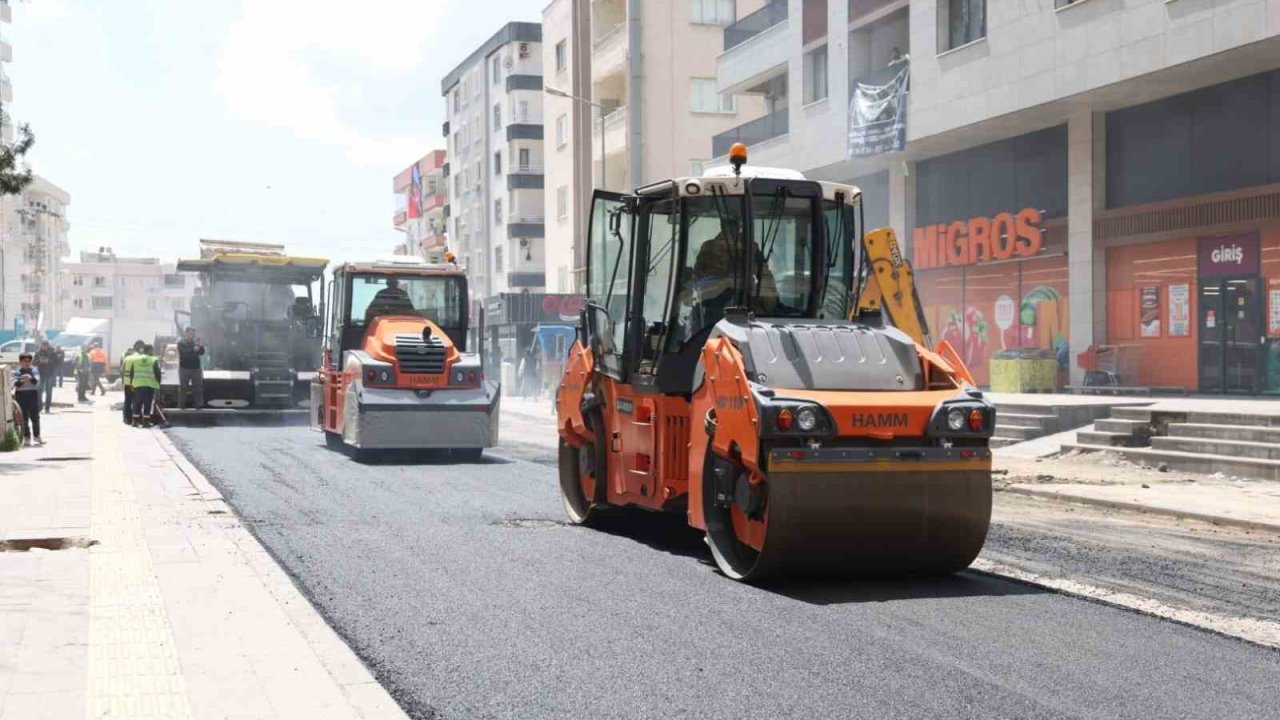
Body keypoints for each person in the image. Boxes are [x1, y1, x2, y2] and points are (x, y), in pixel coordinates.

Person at [125, 343, 161, 427]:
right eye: (152, 350)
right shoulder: (153, 359)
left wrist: (131, 383)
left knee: (137, 403)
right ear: (149, 350)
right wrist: (158, 384)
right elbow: (157, 373)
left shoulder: (136, 360)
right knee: (147, 404)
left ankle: (135, 421)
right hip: (149, 385)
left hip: (137, 385)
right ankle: (146, 422)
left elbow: (132, 372)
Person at [12, 353, 41, 446]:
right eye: (25, 361)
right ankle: (26, 436)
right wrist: (23, 380)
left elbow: (36, 382)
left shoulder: (34, 370)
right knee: (23, 417)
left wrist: (30, 377)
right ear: (20, 362)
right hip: (21, 395)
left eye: (29, 361)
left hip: (32, 394)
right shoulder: (17, 372)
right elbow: (15, 384)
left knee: (35, 416)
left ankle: (37, 435)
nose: (27, 363)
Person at [176, 327, 205, 410]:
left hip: (196, 368)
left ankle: (199, 404)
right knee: (183, 387)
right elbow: (184, 353)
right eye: (190, 333)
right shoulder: (181, 343)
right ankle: (182, 404)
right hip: (184, 368)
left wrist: (200, 346)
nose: (192, 335)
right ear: (186, 333)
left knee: (198, 387)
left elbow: (202, 352)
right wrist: (193, 349)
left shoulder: (195, 343)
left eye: (193, 334)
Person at [120, 340, 143, 425]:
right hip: (135, 382)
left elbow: (121, 369)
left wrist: (123, 380)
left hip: (127, 382)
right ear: (138, 347)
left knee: (128, 401)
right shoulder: (137, 357)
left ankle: (127, 418)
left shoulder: (126, 355)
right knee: (135, 401)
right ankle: (134, 418)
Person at [35, 340, 58, 414]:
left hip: (50, 374)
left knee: (49, 392)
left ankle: (47, 408)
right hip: (41, 374)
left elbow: (57, 362)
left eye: (45, 345)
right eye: (42, 345)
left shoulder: (52, 353)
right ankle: (39, 407)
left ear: (48, 345)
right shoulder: (38, 353)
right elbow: (33, 362)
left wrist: (48, 361)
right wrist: (40, 361)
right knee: (39, 391)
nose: (44, 346)